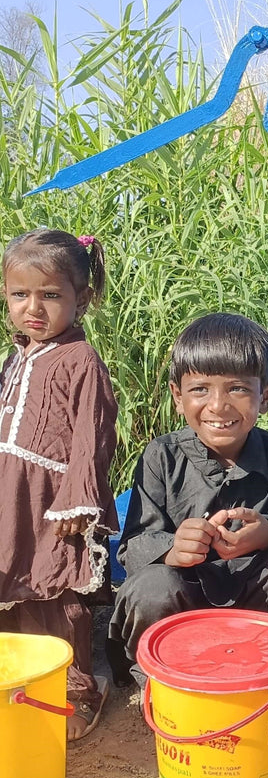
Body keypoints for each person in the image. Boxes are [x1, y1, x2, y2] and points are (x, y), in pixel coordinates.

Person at [108, 313, 268, 688]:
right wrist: (175, 550)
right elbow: (133, 547)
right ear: (178, 396)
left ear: (266, 396)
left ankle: (264, 673)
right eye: (200, 389)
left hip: (252, 610)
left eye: (238, 389)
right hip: (180, 601)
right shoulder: (161, 456)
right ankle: (160, 680)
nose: (219, 406)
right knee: (153, 586)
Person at [0, 228, 118, 740]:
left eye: (50, 295)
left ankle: (77, 689)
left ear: (82, 299)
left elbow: (92, 438)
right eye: (19, 295)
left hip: (54, 504)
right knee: (15, 585)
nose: (33, 308)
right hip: (11, 497)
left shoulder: (80, 360)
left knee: (56, 591)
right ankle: (22, 679)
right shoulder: (17, 356)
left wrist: (77, 501)